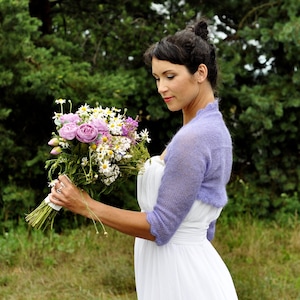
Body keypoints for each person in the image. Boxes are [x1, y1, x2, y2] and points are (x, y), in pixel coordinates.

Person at [50, 19, 238, 299]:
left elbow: (160, 226)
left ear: (200, 73)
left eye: (170, 76)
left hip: (183, 280)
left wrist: (85, 205)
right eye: (157, 78)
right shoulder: (210, 129)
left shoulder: (194, 138)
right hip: (184, 268)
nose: (161, 87)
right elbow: (205, 224)